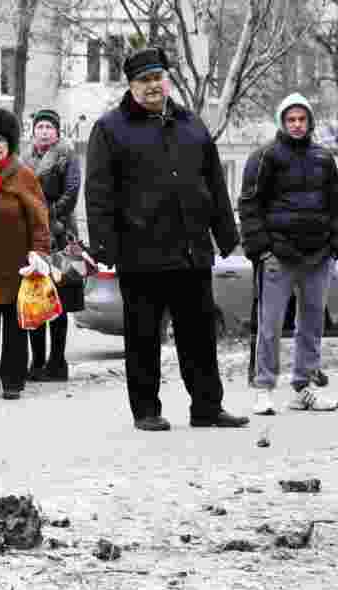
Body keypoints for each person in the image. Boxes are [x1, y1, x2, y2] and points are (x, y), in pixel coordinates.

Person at [85, 47, 248, 431]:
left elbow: (214, 183)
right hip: (140, 252)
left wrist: (226, 234)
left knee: (200, 335)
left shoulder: (191, 124)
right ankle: (146, 410)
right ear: (131, 85)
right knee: (143, 336)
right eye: (144, 80)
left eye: (157, 77)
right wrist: (105, 244)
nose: (152, 86)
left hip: (192, 249)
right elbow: (98, 191)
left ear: (166, 80)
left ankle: (207, 407)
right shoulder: (110, 128)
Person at [240, 92, 338, 415]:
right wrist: (262, 250)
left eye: (302, 119)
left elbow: (335, 206)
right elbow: (250, 205)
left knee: (311, 325)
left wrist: (333, 246)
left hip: (318, 256)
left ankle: (303, 386)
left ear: (310, 121)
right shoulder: (264, 157)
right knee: (270, 325)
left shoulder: (325, 159)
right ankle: (264, 387)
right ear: (282, 122)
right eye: (290, 119)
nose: (297, 125)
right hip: (278, 256)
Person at [0, 107, 51, 401]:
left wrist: (39, 253)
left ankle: (13, 381)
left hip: (17, 265)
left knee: (16, 327)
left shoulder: (23, 176)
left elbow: (40, 220)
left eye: (1, 140)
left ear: (9, 144)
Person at [21, 108, 82, 382]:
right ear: (33, 131)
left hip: (60, 233)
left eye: (49, 127)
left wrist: (49, 215)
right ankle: (37, 362)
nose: (44, 131)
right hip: (32, 237)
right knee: (36, 297)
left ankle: (58, 362)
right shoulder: (24, 159)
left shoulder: (66, 155)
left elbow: (71, 193)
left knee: (59, 299)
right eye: (40, 127)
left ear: (57, 132)